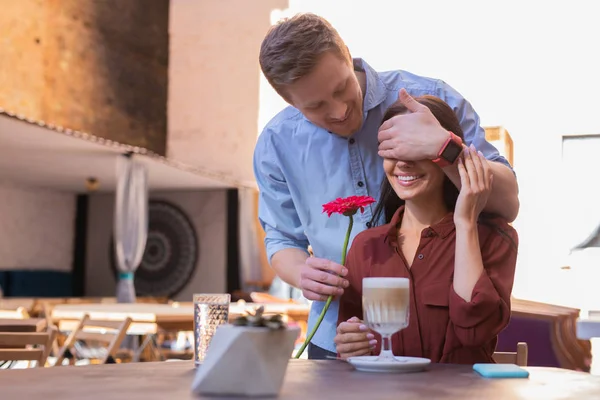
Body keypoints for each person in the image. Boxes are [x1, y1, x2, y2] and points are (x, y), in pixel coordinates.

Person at [254, 12, 520, 359]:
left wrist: (444, 146)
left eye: (341, 88)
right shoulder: (276, 144)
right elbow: (281, 240)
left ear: (347, 55)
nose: (338, 111)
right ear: (291, 103)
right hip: (343, 339)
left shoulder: (429, 99)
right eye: (316, 106)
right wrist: (302, 271)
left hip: (446, 339)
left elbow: (508, 203)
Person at [334, 95, 518, 363]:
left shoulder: (493, 237)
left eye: (417, 151)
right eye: (394, 151)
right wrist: (350, 344)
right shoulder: (366, 247)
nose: (404, 163)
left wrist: (465, 223)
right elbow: (351, 343)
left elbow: (475, 331)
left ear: (443, 157)